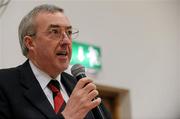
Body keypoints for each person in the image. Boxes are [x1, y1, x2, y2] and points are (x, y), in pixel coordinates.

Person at [0, 4, 111, 119]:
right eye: (54, 32)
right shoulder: (4, 84)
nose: (66, 41)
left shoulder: (81, 89)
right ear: (30, 43)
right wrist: (68, 116)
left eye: (68, 32)